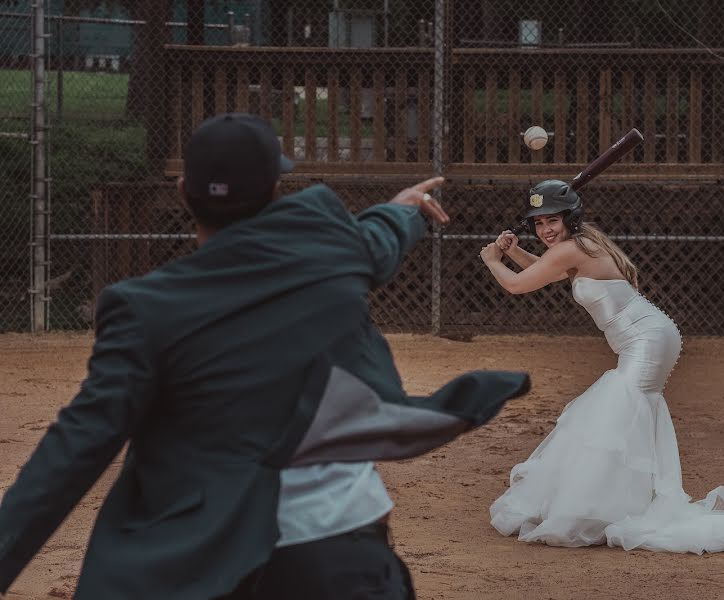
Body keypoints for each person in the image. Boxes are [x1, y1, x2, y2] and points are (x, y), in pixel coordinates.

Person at [0, 113, 530, 600]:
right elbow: (378, 240)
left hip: (204, 563)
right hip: (340, 553)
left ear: (184, 193)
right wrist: (406, 208)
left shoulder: (143, 309)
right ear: (277, 190)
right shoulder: (332, 247)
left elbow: (74, 449)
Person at [479, 179, 724, 553]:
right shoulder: (581, 244)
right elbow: (547, 271)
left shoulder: (571, 248)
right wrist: (516, 252)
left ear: (571, 218)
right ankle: (609, 503)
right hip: (650, 335)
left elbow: (519, 285)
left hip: (645, 341)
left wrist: (493, 260)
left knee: (612, 413)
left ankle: (598, 507)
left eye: (552, 220)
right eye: (538, 223)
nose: (545, 229)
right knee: (619, 415)